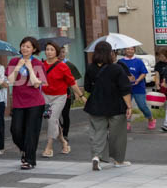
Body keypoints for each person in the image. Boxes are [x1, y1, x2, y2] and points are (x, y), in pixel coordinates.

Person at [85, 41, 133, 169]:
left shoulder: (90, 68)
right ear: (110, 53)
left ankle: (96, 156)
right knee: (117, 134)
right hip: (116, 106)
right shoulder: (117, 68)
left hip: (96, 105)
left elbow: (88, 88)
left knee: (97, 132)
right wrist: (129, 106)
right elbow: (125, 89)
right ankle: (118, 161)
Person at [7, 36, 47, 170]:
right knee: (16, 130)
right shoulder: (13, 61)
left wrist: (30, 68)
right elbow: (10, 81)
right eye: (23, 45)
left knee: (31, 132)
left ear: (34, 49)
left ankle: (29, 160)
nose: (24, 48)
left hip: (35, 103)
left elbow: (37, 84)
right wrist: (18, 67)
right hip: (19, 102)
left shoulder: (38, 64)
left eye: (28, 46)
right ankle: (25, 150)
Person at [40, 41, 84, 157]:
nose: (49, 52)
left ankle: (49, 147)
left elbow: (72, 83)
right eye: (47, 49)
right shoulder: (41, 65)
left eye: (51, 50)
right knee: (52, 120)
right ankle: (64, 142)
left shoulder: (62, 66)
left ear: (56, 52)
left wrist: (81, 96)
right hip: (45, 97)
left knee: (51, 119)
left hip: (59, 97)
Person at [118, 47, 155, 131]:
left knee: (142, 106)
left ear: (134, 50)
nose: (129, 51)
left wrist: (138, 80)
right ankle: (127, 123)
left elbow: (144, 73)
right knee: (126, 106)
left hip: (138, 87)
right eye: (127, 49)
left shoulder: (139, 61)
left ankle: (151, 119)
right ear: (124, 50)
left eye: (131, 49)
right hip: (126, 88)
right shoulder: (120, 62)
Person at [58, 47, 82, 143]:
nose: (61, 54)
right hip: (53, 94)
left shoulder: (69, 65)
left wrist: (77, 93)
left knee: (65, 114)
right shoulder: (52, 64)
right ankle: (61, 127)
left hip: (66, 92)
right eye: (59, 52)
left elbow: (74, 80)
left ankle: (65, 133)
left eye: (63, 52)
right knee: (52, 115)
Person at [154, 48, 167, 133]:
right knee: (164, 106)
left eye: (162, 56)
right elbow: (157, 75)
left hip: (165, 83)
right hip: (163, 86)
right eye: (159, 56)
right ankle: (166, 124)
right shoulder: (158, 65)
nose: (160, 58)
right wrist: (157, 85)